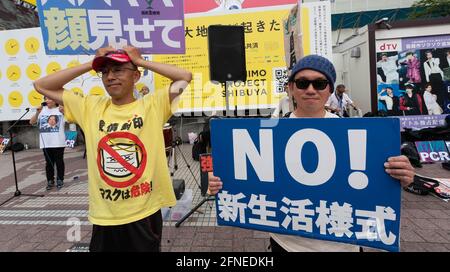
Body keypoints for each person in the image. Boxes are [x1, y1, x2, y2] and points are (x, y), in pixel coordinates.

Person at [208, 55, 415, 252]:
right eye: (302, 83)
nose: (310, 89)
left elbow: (380, 185)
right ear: (290, 88)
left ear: (330, 90)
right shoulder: (267, 134)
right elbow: (244, 181)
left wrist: (402, 177)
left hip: (343, 243)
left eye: (319, 83)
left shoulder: (358, 135)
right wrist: (220, 183)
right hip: (286, 242)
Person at [33, 45, 192, 252]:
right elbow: (41, 85)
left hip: (143, 213)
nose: (110, 77)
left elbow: (184, 76)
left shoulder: (153, 105)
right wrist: (90, 64)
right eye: (105, 71)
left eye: (118, 70)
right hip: (104, 215)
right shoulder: (91, 107)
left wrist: (140, 61)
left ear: (135, 76)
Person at [30, 97, 66, 190]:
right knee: (48, 163)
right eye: (45, 99)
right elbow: (32, 122)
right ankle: (50, 180)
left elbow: (71, 119)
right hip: (46, 143)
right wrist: (37, 112)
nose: (47, 101)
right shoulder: (42, 110)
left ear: (55, 100)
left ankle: (60, 179)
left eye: (49, 98)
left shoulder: (60, 109)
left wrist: (64, 112)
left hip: (58, 142)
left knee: (59, 162)